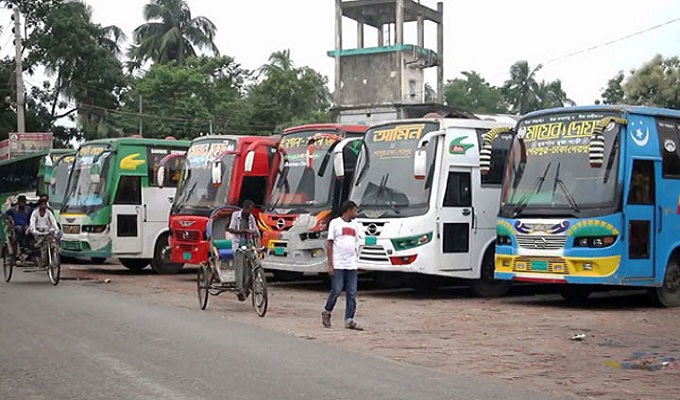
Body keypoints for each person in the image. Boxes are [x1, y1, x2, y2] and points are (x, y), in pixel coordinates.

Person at [322, 200, 363, 330]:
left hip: (351, 264)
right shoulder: (335, 223)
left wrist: (358, 259)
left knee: (352, 292)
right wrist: (330, 264)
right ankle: (327, 311)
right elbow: (329, 244)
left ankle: (349, 319)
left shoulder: (355, 225)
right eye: (355, 210)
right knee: (337, 290)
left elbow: (357, 243)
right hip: (338, 263)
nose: (356, 213)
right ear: (348, 210)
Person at [227, 200, 259, 298]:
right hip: (238, 244)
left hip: (248, 244)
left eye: (251, 210)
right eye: (248, 209)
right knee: (240, 266)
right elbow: (230, 229)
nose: (249, 212)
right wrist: (242, 231)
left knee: (255, 263)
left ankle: (249, 284)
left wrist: (253, 232)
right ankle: (239, 288)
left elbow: (256, 231)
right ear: (244, 208)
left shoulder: (251, 217)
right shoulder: (235, 215)